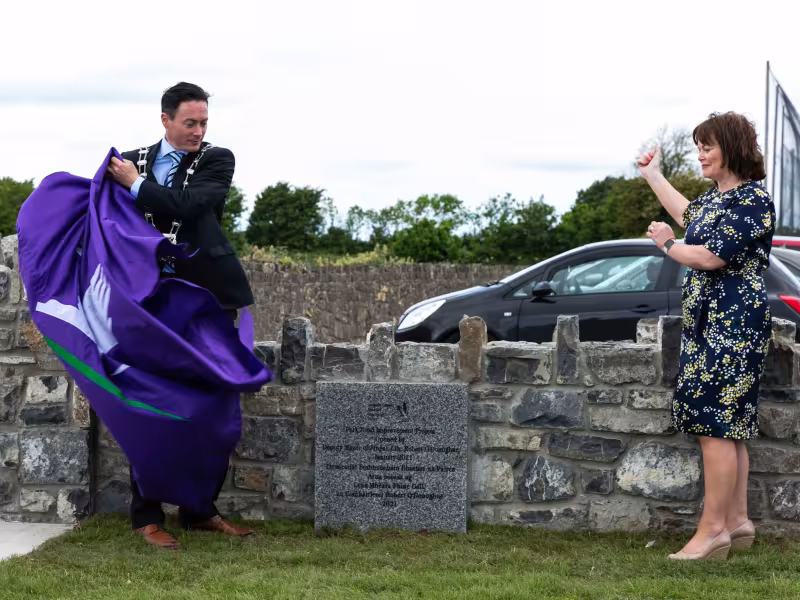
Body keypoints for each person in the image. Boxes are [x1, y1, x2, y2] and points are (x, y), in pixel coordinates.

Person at [106, 82, 256, 549]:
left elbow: (192, 206)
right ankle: (146, 516)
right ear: (166, 120)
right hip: (147, 301)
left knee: (212, 405)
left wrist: (134, 185)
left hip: (210, 298)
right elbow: (102, 216)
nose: (198, 130)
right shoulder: (127, 161)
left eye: (204, 122)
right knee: (147, 403)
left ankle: (198, 511)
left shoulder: (216, 159)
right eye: (190, 122)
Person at [639, 112, 774, 561]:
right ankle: (737, 521)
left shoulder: (753, 201)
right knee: (730, 426)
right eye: (698, 147)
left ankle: (712, 530)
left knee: (715, 424)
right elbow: (686, 213)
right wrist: (653, 175)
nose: (700, 155)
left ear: (731, 148)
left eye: (707, 146)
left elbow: (710, 256)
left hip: (732, 323)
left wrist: (666, 244)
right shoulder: (719, 200)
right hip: (710, 323)